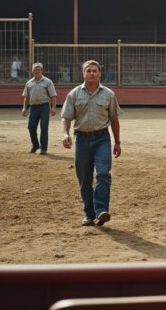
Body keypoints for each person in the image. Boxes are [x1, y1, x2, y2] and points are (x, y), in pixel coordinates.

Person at [61, 60, 121, 227]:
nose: (92, 73)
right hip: (81, 140)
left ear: (99, 74)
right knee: (84, 179)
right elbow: (66, 117)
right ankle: (89, 214)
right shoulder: (73, 94)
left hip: (102, 139)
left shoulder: (109, 94)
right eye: (89, 71)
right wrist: (66, 134)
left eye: (95, 71)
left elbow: (114, 119)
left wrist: (117, 142)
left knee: (103, 173)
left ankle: (101, 210)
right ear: (83, 74)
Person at [21, 62, 58, 154]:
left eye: (38, 69)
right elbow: (26, 97)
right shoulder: (29, 83)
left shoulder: (48, 82)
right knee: (31, 127)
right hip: (33, 107)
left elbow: (53, 96)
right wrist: (24, 108)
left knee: (44, 127)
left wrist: (53, 107)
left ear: (42, 70)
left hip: (44, 107)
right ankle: (35, 145)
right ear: (32, 71)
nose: (37, 71)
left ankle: (43, 148)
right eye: (35, 69)